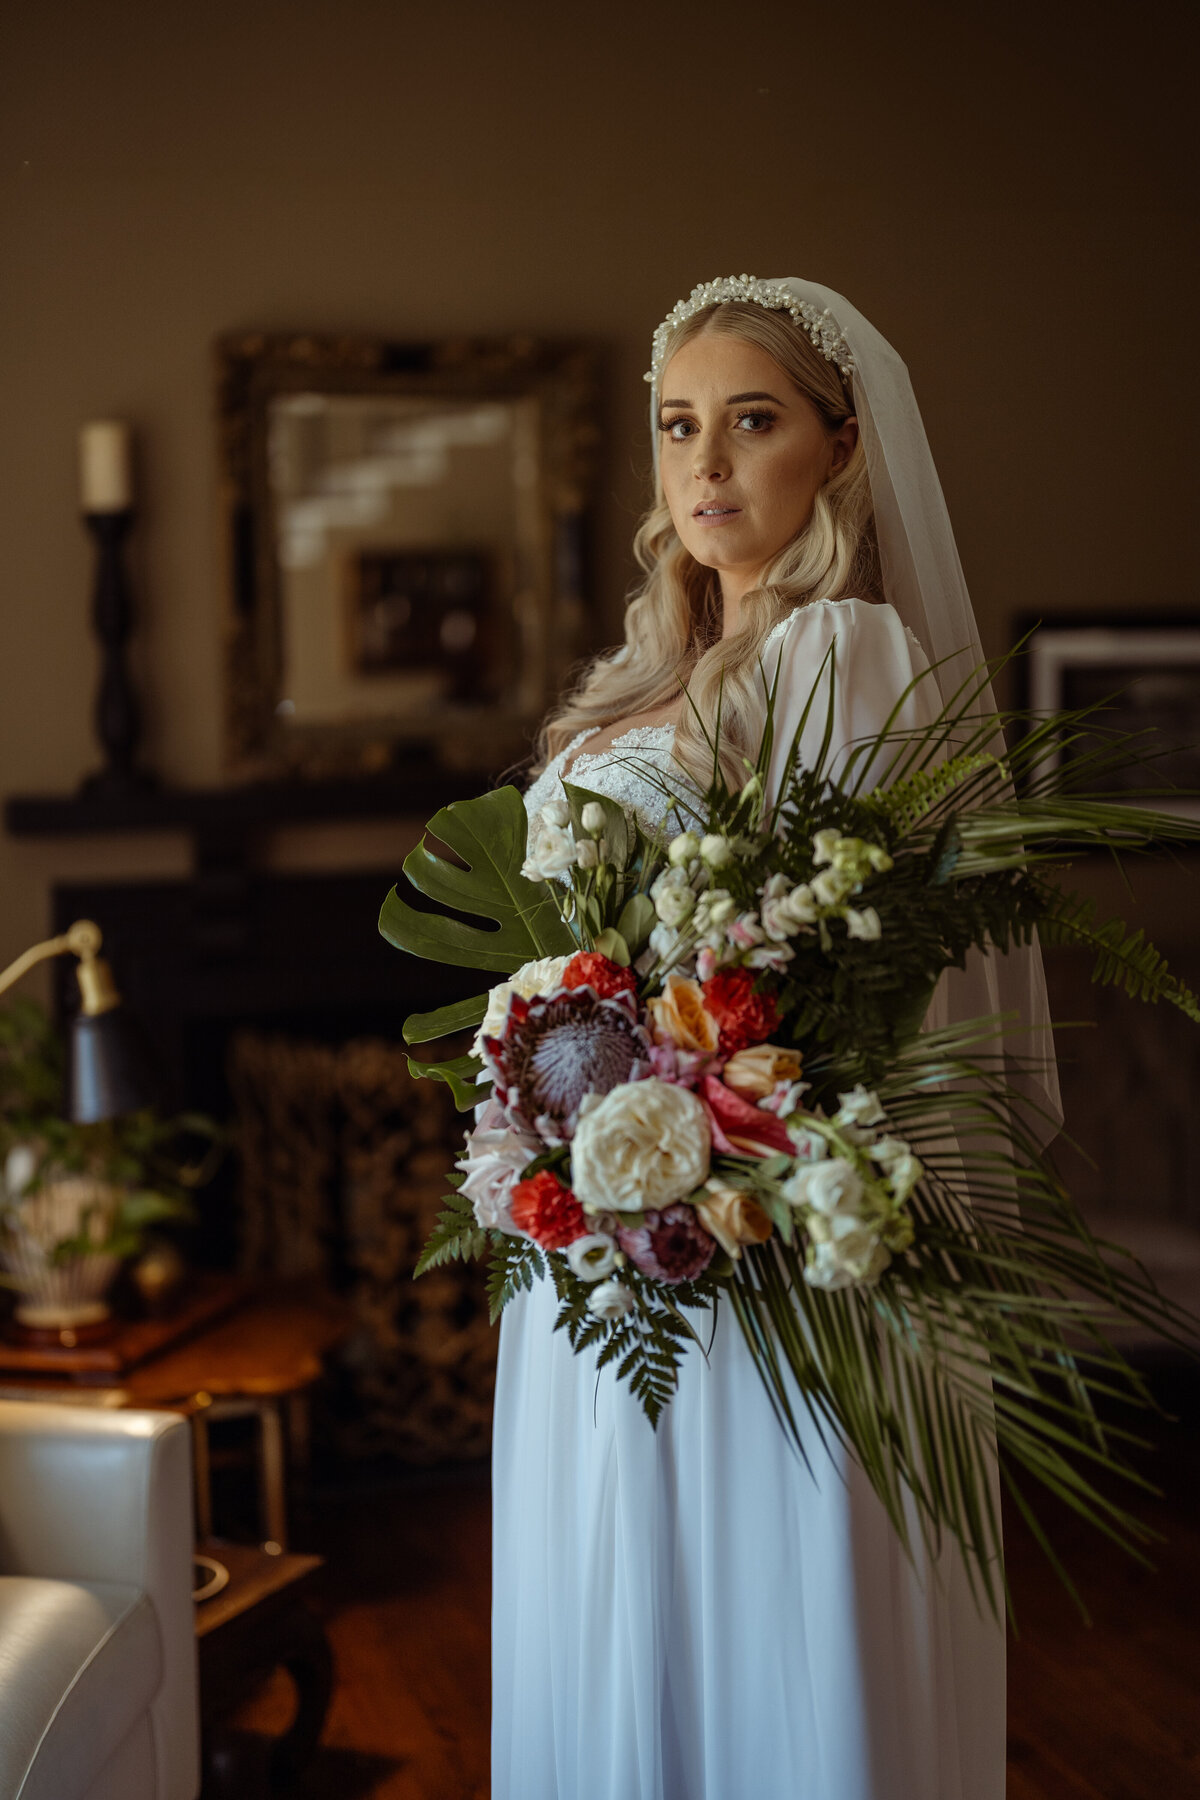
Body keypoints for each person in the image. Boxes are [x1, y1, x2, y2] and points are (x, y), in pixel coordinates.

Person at [492, 275, 1056, 1800]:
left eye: (754, 423)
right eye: (680, 428)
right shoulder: (637, 684)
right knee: (611, 1611)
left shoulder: (845, 653)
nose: (708, 468)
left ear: (840, 447)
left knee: (761, 1626)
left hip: (758, 1244)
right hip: (598, 1240)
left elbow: (842, 978)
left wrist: (690, 1112)